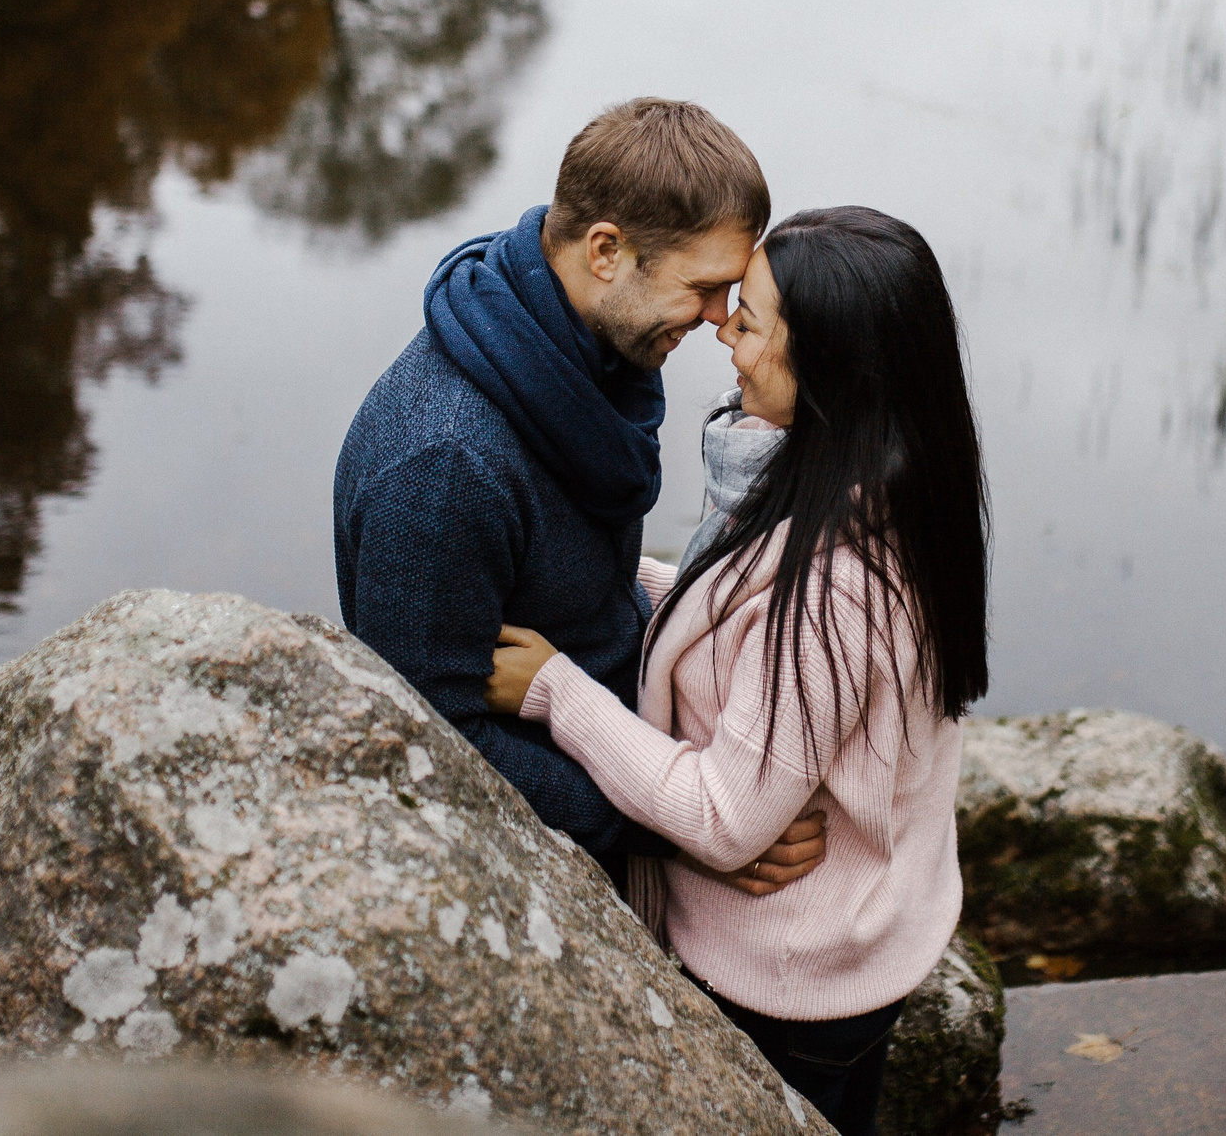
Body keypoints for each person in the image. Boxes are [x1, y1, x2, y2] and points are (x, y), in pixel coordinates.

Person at [486, 207, 990, 1136]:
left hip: (790, 989)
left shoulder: (841, 587)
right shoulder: (890, 483)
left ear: (831, 373)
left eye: (749, 319)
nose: (721, 326)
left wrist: (559, 689)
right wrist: (622, 578)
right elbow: (742, 610)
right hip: (853, 940)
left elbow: (725, 816)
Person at [335, 98, 825, 894]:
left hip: (636, 754)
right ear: (605, 249)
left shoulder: (587, 353)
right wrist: (673, 830)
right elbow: (433, 744)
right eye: (703, 288)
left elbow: (588, 585)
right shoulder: (445, 467)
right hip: (554, 864)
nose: (716, 319)